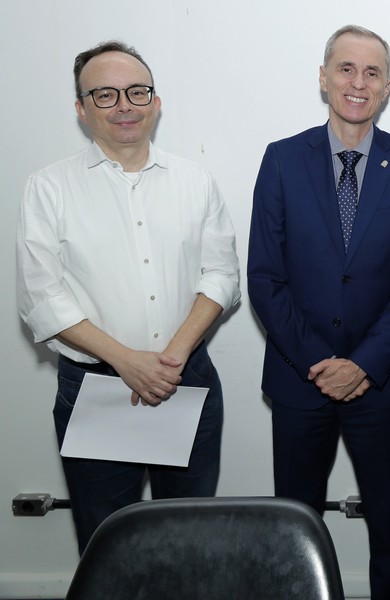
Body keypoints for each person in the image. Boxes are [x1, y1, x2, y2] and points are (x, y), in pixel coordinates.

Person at [15, 40, 240, 554]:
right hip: (96, 391)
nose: (124, 105)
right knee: (107, 545)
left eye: (137, 91)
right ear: (81, 109)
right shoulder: (48, 188)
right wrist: (126, 361)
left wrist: (173, 354)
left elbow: (222, 274)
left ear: (156, 102)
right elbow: (41, 297)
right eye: (105, 94)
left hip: (186, 378)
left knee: (188, 540)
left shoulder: (195, 180)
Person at [247, 25, 390, 599]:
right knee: (296, 523)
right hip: (299, 379)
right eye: (347, 69)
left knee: (389, 523)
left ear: (386, 87)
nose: (359, 83)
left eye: (372, 72)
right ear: (324, 77)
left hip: (380, 383)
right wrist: (320, 362)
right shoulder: (281, 160)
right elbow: (264, 277)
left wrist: (361, 365)